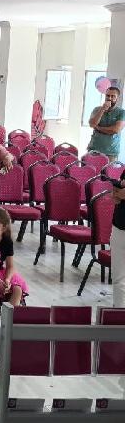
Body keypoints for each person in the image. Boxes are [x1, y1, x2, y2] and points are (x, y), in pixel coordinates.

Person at [88, 86, 125, 162]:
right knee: (90, 169)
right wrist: (102, 109)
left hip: (111, 153)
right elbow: (92, 124)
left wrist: (98, 128)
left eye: (113, 96)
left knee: (108, 170)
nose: (109, 98)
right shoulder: (97, 109)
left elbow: (115, 130)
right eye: (108, 95)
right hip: (94, 149)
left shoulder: (121, 112)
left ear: (117, 98)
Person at [110, 169, 125, 307]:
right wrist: (118, 193)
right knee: (118, 279)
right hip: (119, 227)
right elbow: (115, 196)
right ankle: (119, 313)